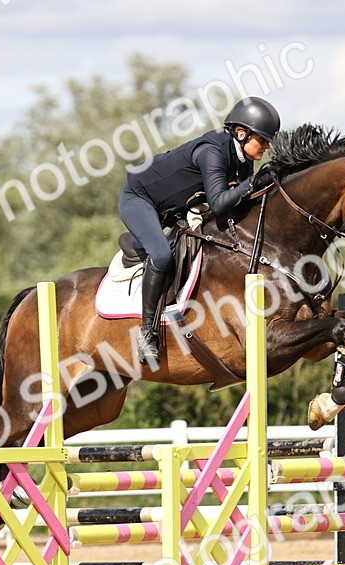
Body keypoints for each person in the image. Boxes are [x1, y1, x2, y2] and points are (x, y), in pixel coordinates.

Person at [118, 96, 282, 364]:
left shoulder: (241, 159)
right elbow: (219, 203)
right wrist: (253, 182)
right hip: (139, 198)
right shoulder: (213, 151)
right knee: (161, 256)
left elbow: (237, 203)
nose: (266, 146)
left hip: (174, 208)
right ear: (241, 133)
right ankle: (148, 334)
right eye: (262, 140)